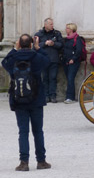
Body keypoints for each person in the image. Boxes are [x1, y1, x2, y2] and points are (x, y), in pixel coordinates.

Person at [3, 34, 51, 171]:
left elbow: (4, 62)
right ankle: (41, 161)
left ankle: (24, 162)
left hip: (19, 99)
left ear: (19, 44)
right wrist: (37, 48)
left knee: (23, 132)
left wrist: (14, 49)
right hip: (36, 98)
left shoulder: (13, 58)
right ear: (31, 44)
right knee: (38, 131)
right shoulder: (37, 57)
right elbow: (47, 61)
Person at [33, 18, 63, 104]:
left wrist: (53, 44)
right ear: (45, 25)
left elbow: (61, 45)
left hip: (54, 59)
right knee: (44, 78)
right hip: (42, 60)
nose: (52, 26)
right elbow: (34, 47)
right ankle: (45, 96)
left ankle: (53, 95)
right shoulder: (38, 34)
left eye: (52, 24)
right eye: (50, 24)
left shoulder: (57, 33)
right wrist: (44, 43)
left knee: (53, 78)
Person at [61, 23, 86, 104]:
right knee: (69, 79)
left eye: (67, 28)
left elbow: (78, 51)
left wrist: (73, 59)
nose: (66, 29)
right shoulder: (66, 39)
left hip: (74, 62)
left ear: (71, 29)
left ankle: (69, 97)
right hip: (65, 61)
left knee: (70, 78)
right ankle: (71, 96)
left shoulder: (77, 39)